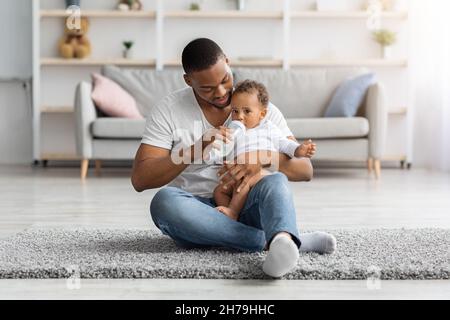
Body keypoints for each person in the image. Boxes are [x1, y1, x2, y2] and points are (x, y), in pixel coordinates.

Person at [131, 38, 336, 278]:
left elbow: (305, 170)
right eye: (207, 88)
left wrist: (262, 158)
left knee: (275, 181)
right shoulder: (168, 110)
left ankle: (279, 238)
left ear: (228, 63)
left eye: (225, 79)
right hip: (196, 212)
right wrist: (196, 149)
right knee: (164, 202)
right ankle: (283, 239)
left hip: (247, 204)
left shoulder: (257, 107)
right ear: (188, 81)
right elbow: (140, 179)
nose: (221, 92)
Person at [212, 79, 317, 222]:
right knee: (219, 191)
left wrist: (299, 150)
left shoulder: (269, 129)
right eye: (235, 111)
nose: (240, 116)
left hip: (261, 173)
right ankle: (232, 220)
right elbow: (224, 151)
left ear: (262, 114)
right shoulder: (234, 130)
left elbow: (285, 145)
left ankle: (233, 212)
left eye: (247, 111)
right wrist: (220, 141)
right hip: (238, 172)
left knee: (243, 185)